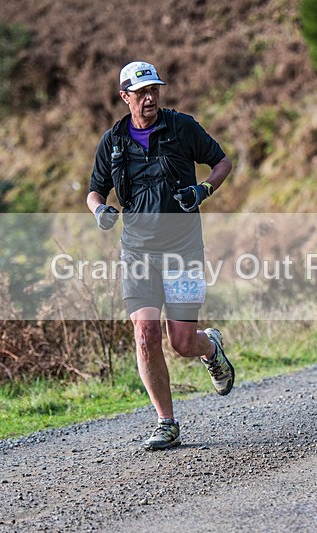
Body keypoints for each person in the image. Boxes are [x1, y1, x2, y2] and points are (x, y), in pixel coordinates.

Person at [87, 61, 235, 450]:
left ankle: (210, 347)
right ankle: (166, 422)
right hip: (137, 251)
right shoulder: (113, 142)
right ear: (125, 97)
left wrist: (203, 190)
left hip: (183, 248)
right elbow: (95, 190)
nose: (150, 98)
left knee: (182, 343)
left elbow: (222, 162)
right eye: (141, 93)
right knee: (144, 334)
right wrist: (100, 212)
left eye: (154, 90)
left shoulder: (182, 127)